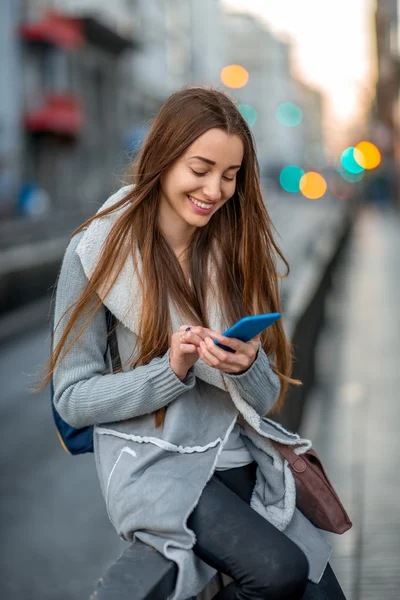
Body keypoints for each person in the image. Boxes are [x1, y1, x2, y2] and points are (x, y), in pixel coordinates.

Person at [44, 87, 346, 600]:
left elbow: (267, 394)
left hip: (241, 456)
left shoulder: (231, 246)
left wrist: (246, 365)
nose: (215, 189)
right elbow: (72, 399)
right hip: (156, 464)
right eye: (200, 169)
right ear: (163, 158)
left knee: (322, 591)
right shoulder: (96, 251)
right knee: (279, 571)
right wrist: (172, 370)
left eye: (230, 175)